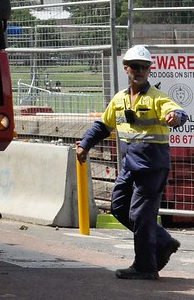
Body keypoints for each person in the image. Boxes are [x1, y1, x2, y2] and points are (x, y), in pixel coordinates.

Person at [76, 44, 188, 280]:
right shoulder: (119, 100)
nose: (139, 71)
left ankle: (145, 267)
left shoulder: (157, 98)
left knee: (140, 216)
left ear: (149, 70)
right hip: (130, 165)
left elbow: (176, 111)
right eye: (135, 67)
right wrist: (85, 144)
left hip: (152, 166)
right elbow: (103, 126)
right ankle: (162, 240)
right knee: (118, 206)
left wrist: (175, 117)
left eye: (144, 67)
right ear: (126, 68)